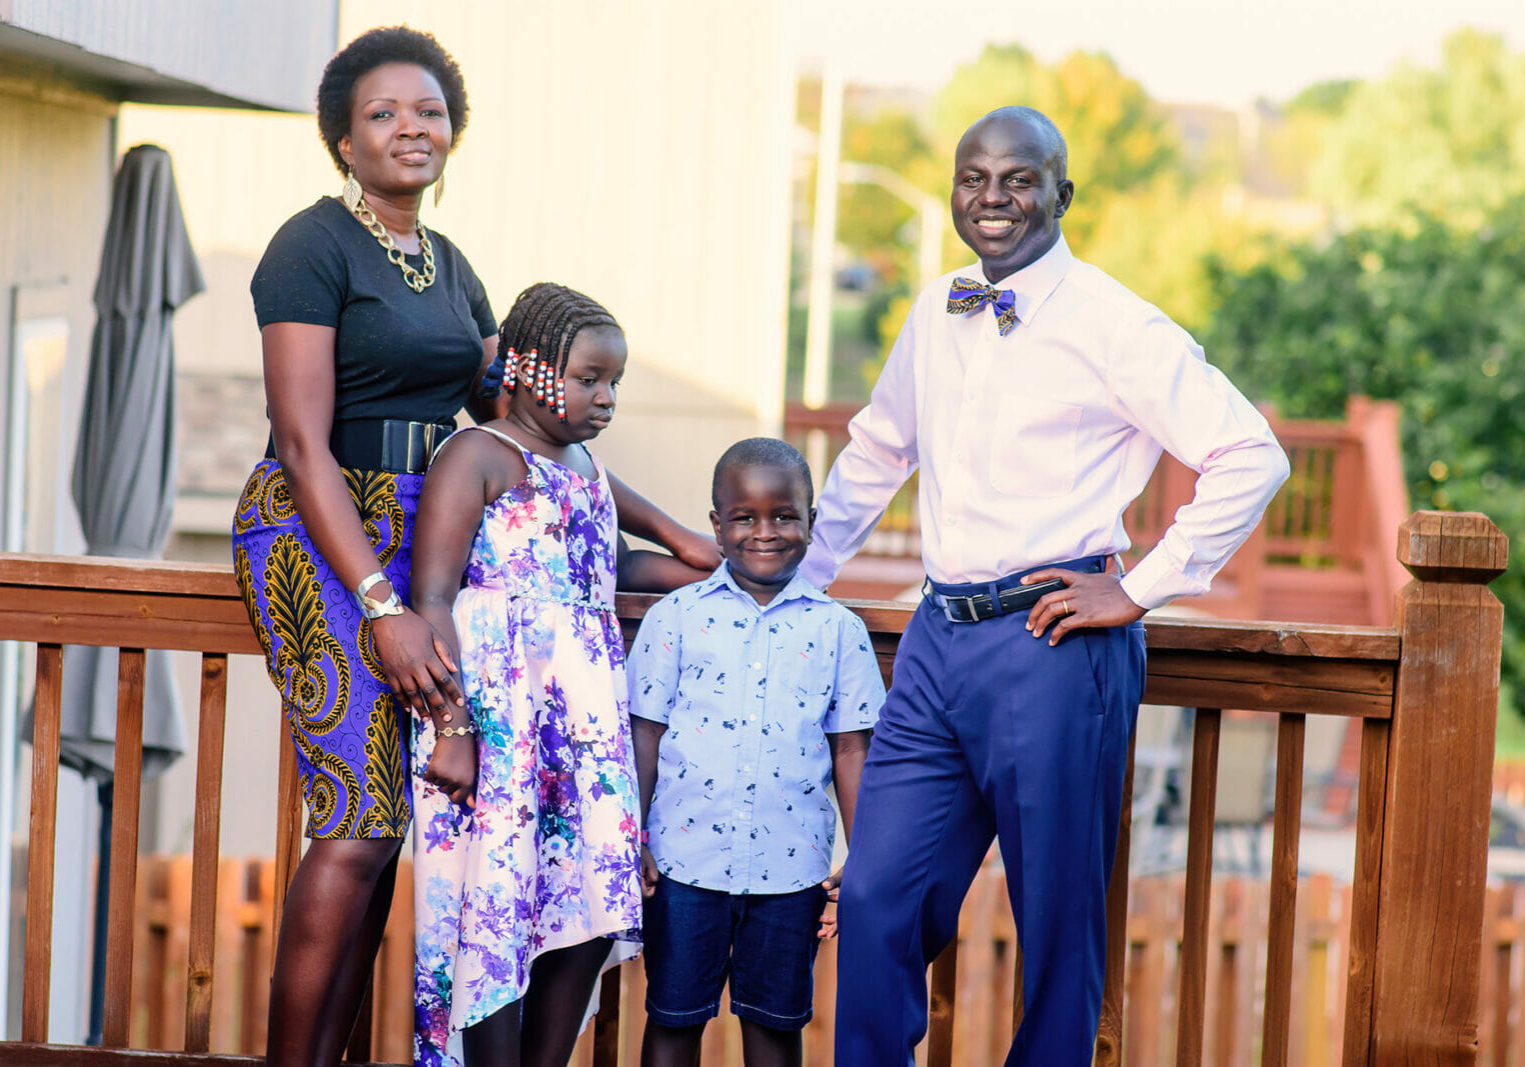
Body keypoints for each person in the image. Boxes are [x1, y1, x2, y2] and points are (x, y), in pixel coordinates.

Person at [232, 29, 715, 1066]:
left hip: (434, 529)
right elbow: (304, 442)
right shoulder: (310, 246)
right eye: (382, 114)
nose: (411, 128)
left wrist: (668, 527)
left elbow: (520, 430)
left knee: (401, 824)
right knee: (361, 815)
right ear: (342, 141)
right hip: (322, 529)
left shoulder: (448, 265)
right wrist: (377, 598)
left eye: (429, 111)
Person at [801, 106, 1291, 1066]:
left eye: (1017, 179)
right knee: (874, 896)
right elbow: (876, 451)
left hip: (1056, 643)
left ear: (1060, 194)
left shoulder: (1115, 321)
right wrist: (792, 580)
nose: (992, 198)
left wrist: (1138, 588)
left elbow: (1250, 454)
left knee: (1056, 927)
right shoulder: (937, 306)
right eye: (972, 178)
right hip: (937, 638)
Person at [407, 283, 715, 1067]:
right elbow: (432, 598)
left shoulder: (583, 464)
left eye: (614, 382)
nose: (605, 398)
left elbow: (610, 556)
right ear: (525, 367)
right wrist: (451, 729)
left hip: (581, 730)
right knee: (494, 902)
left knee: (585, 893)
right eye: (588, 379)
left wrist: (700, 553)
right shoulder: (478, 455)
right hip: (497, 722)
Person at [625, 438, 886, 1067]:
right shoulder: (676, 618)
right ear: (717, 525)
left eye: (785, 516)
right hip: (683, 864)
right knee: (673, 1021)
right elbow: (643, 735)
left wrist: (868, 859)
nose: (765, 532)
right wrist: (629, 836)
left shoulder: (838, 631)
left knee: (774, 1030)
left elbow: (852, 749)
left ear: (811, 523)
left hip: (791, 870)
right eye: (745, 517)